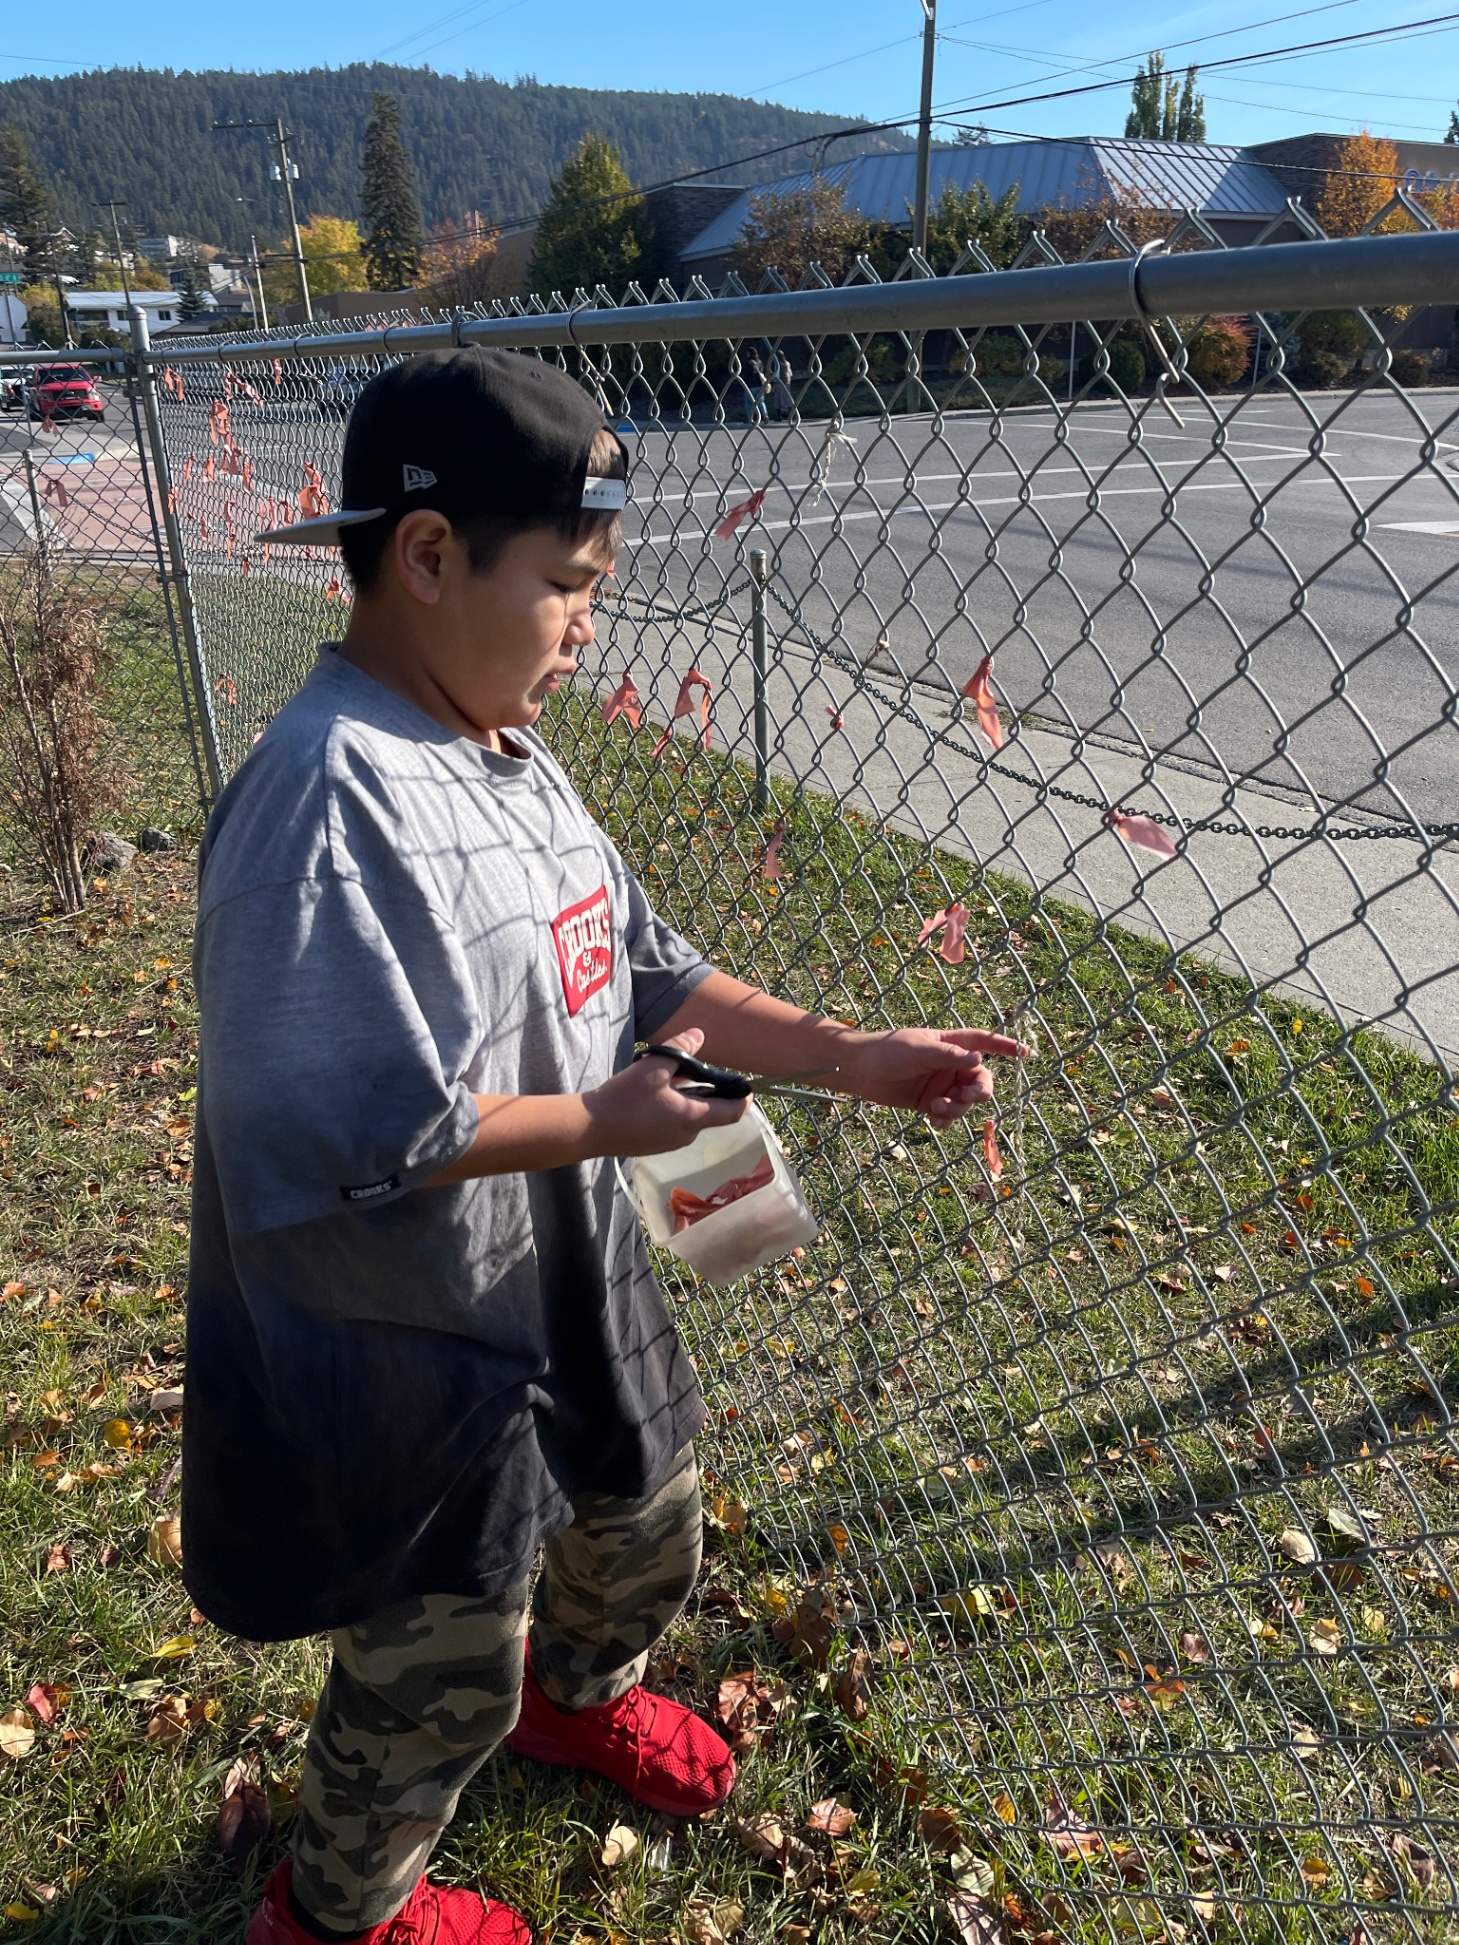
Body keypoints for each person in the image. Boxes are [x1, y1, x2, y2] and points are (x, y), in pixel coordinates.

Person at [183, 348, 1025, 1945]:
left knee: (645, 1512)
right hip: (408, 1338)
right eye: (568, 585)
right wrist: (607, 1119)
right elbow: (342, 1126)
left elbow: (649, 973)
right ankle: (337, 1907)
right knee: (437, 1655)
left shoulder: (507, 749)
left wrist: (849, 1053)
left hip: (564, 1269)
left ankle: (577, 1698)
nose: (589, 626)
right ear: (431, 558)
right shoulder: (327, 802)